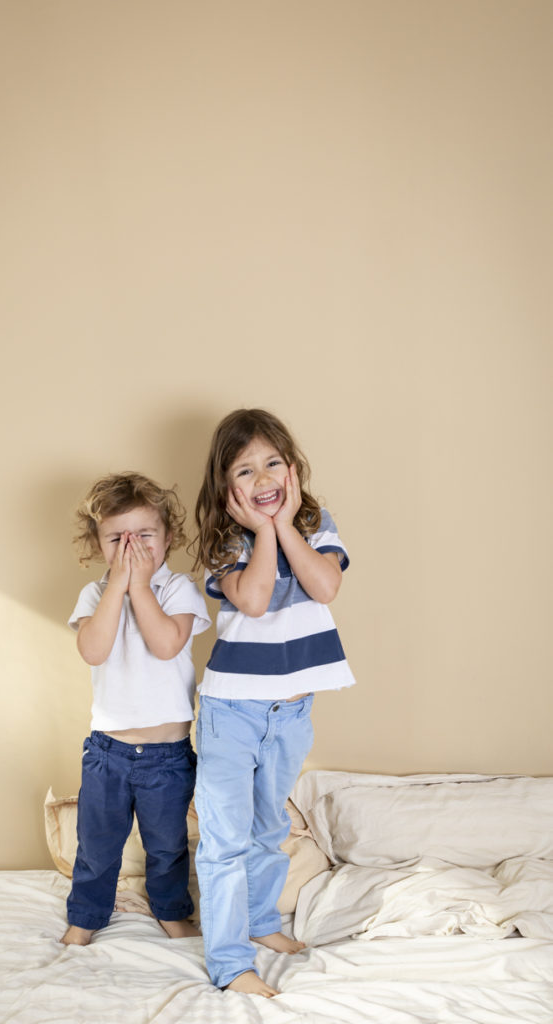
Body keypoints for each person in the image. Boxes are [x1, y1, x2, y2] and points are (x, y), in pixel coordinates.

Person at [192, 409, 355, 996]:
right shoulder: (222, 541)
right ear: (225, 487)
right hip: (230, 714)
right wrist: (263, 532)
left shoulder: (315, 522)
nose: (263, 477)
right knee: (226, 838)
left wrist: (285, 525)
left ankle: (261, 923)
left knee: (268, 828)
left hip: (290, 712)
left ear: (292, 468)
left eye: (273, 463)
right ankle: (231, 962)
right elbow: (255, 601)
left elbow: (325, 585)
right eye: (245, 470)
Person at [62, 471, 210, 946]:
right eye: (116, 538)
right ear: (98, 544)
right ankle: (86, 916)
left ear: (167, 539)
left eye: (144, 536)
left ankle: (171, 910)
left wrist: (140, 585)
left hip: (166, 757)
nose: (130, 547)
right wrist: (118, 587)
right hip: (108, 753)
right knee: (97, 846)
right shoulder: (93, 595)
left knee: (167, 847)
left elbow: (167, 644)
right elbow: (93, 650)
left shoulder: (177, 589)